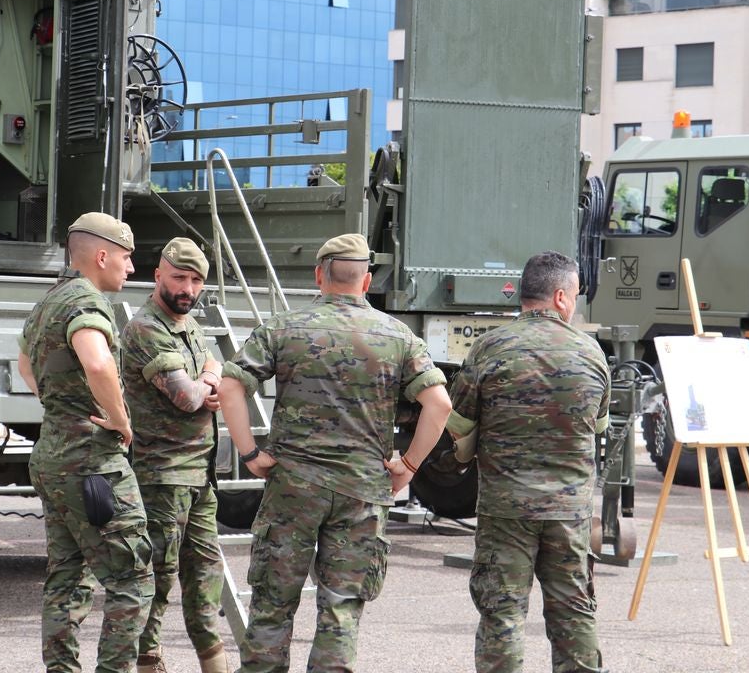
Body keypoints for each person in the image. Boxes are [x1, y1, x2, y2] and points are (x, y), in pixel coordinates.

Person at [218, 232, 453, 673]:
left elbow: (231, 386)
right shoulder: (398, 336)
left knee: (272, 603)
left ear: (318, 277)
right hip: (362, 491)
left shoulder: (283, 329)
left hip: (293, 488)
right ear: (367, 282)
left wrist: (251, 453)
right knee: (341, 610)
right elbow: (439, 404)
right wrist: (408, 466)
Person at [446, 250, 610, 673]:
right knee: (573, 611)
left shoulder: (488, 348)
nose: (574, 303)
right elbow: (600, 425)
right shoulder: (591, 353)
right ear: (559, 297)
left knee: (502, 613)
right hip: (569, 511)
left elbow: (459, 423)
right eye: (574, 294)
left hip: (506, 508)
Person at [17, 212, 154, 673]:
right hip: (92, 461)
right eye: (126, 257)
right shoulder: (86, 304)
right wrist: (119, 419)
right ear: (101, 255)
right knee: (133, 579)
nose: (130, 268)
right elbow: (97, 364)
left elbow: (24, 366)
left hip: (52, 454)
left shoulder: (48, 302)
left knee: (66, 576)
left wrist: (61, 404)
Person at [121, 237, 229, 673]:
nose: (187, 288)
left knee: (206, 580)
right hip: (162, 478)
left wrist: (208, 377)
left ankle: (215, 664)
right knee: (157, 580)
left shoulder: (191, 325)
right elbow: (186, 398)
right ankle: (148, 663)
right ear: (158, 276)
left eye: (196, 280)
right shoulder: (147, 327)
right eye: (179, 277)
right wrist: (207, 384)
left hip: (199, 477)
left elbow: (217, 367)